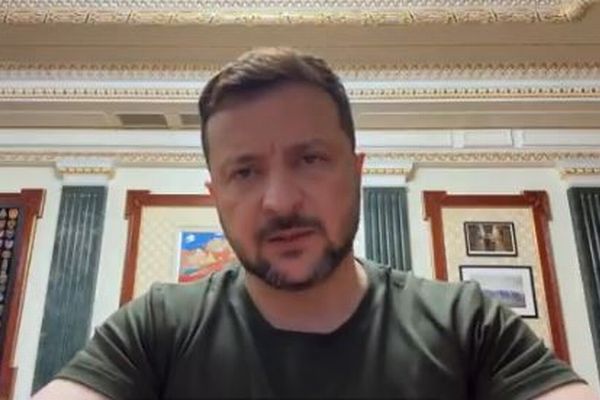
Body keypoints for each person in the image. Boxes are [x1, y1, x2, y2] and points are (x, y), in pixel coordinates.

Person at [33, 47, 597, 399]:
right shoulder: (157, 327)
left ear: (356, 172)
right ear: (215, 195)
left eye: (310, 159)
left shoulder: (464, 323)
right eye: (244, 171)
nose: (279, 201)